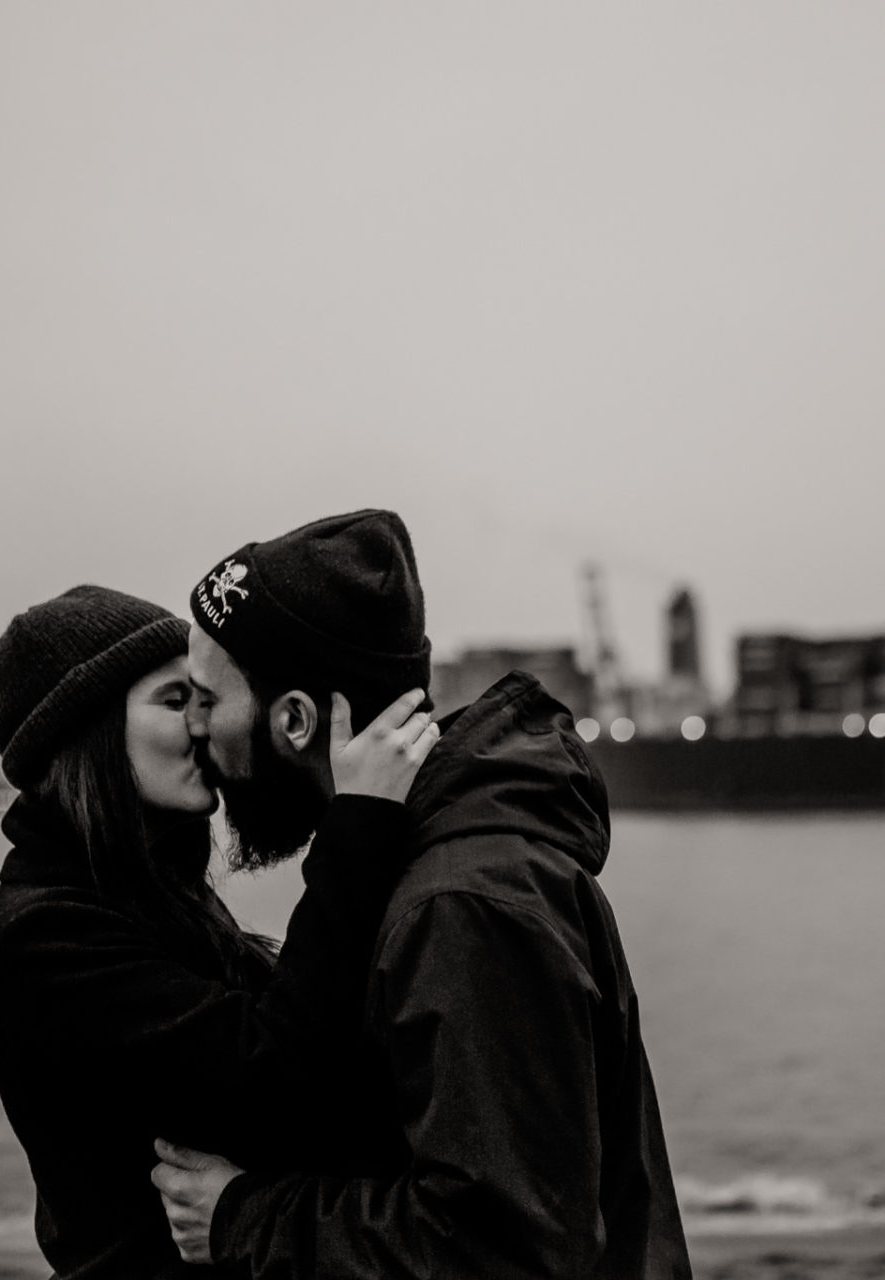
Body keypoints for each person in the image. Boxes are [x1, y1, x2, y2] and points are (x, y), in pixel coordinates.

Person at [152, 510, 693, 1280]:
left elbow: (505, 1252)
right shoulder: (426, 864)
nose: (196, 727)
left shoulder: (462, 905)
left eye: (208, 699)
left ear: (296, 721)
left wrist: (244, 1218)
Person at [0, 584, 440, 1280]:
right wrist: (359, 824)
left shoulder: (147, 894)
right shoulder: (39, 938)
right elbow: (279, 1075)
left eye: (199, 696)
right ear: (86, 732)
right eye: (171, 700)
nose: (202, 723)